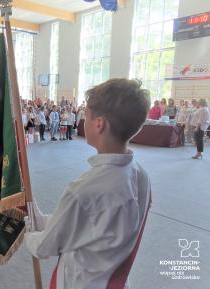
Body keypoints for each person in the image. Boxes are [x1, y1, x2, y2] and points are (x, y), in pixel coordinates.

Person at [25, 78, 151, 289]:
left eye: (87, 116)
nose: (83, 120)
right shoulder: (141, 175)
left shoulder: (84, 191)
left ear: (99, 124)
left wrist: (28, 235)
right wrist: (45, 220)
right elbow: (92, 226)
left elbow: (46, 246)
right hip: (114, 279)